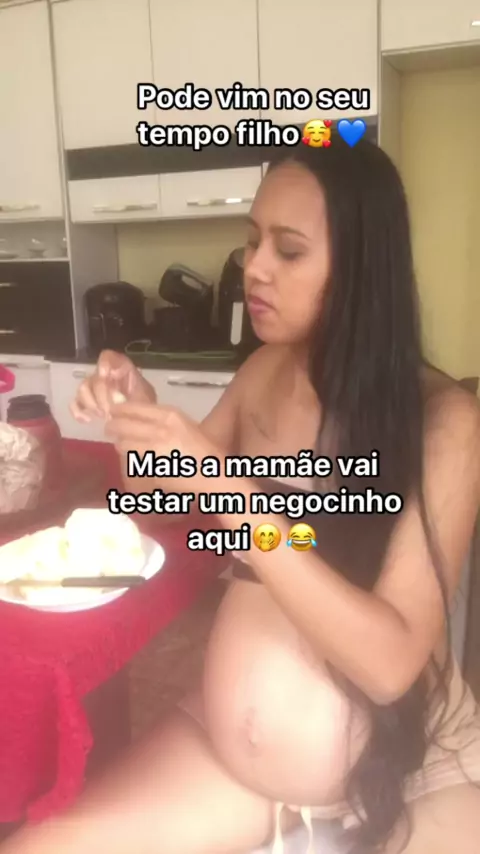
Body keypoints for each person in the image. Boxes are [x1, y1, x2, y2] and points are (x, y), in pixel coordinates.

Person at [3, 140, 480, 854]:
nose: (253, 267)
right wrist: (138, 416)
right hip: (228, 759)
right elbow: (156, 498)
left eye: (289, 250)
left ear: (362, 268)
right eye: (253, 241)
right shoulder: (264, 372)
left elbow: (388, 667)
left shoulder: (447, 423)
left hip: (412, 768)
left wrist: (229, 490)